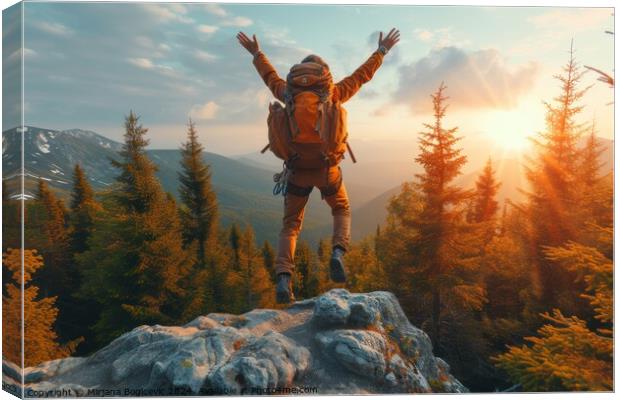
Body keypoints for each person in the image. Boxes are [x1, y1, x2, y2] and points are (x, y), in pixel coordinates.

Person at [237, 28, 400, 303]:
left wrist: (256, 53)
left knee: (290, 226)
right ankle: (338, 251)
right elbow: (362, 75)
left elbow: (269, 77)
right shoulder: (333, 92)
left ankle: (284, 280)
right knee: (341, 208)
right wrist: (381, 51)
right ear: (323, 71)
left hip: (297, 170)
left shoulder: (287, 93)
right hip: (328, 170)